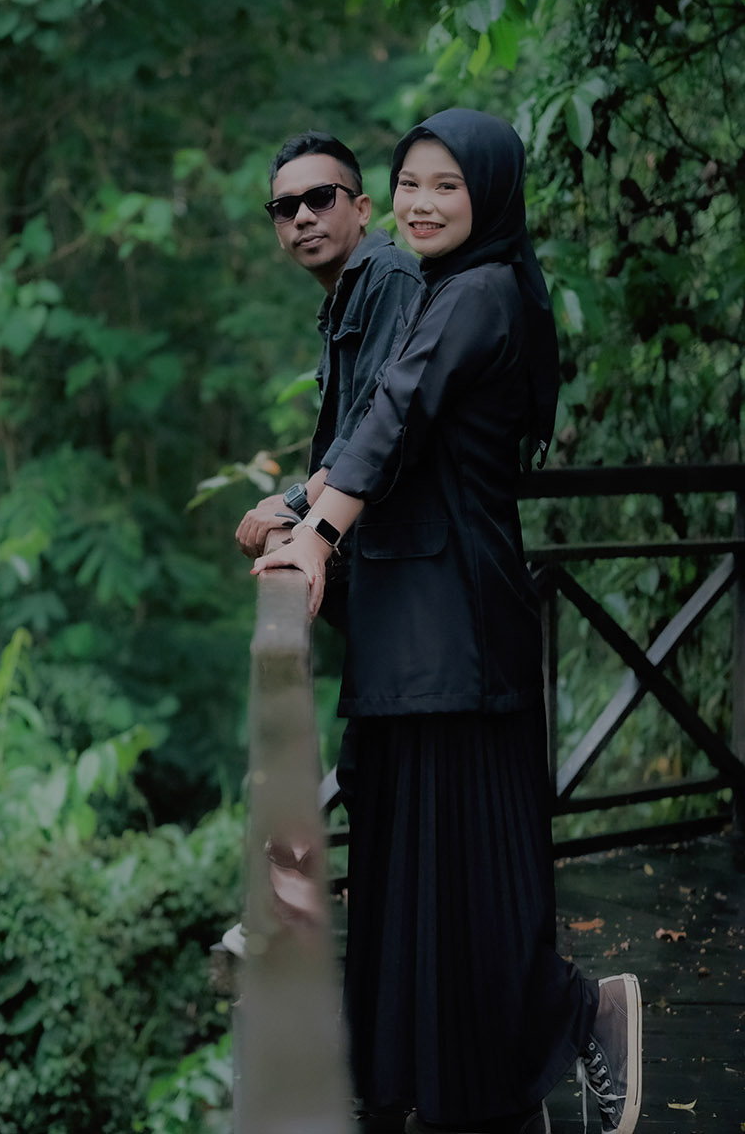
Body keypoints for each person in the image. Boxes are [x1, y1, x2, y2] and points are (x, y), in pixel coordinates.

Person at [251, 109, 643, 1134]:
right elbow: (380, 421)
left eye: (447, 186)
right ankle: (462, 1087)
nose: (422, 204)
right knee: (425, 879)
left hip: (458, 627)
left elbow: (397, 415)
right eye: (412, 184)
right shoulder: (451, 286)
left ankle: (585, 1015)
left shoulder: (480, 292)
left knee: (473, 878)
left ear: (491, 195)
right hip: (429, 629)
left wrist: (316, 531)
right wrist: (307, 514)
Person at [234, 131, 425, 623]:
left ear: (362, 209)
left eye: (320, 198)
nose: (302, 217)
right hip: (377, 564)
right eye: (285, 207)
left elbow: (378, 424)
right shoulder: (345, 298)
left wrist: (295, 501)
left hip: (414, 569)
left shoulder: (390, 278)